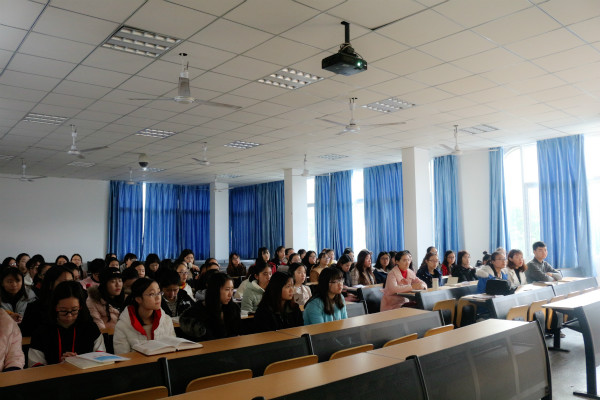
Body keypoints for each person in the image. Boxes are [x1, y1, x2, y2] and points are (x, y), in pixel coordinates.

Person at [28, 281, 105, 367]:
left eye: (74, 310)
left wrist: (79, 362)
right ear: (55, 307)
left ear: (80, 307)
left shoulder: (90, 328)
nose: (69, 316)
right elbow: (35, 366)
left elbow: (101, 358)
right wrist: (60, 366)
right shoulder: (42, 332)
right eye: (63, 310)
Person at [113, 278, 176, 354]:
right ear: (138, 299)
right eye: (152, 294)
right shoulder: (123, 326)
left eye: (159, 292)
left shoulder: (166, 320)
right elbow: (123, 357)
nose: (158, 297)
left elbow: (173, 349)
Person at [180, 272, 240, 341]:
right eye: (227, 289)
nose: (230, 294)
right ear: (215, 290)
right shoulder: (197, 311)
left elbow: (235, 334)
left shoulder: (233, 308)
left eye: (232, 289)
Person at [20, 265, 74, 336]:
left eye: (71, 282)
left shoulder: (78, 306)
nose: (69, 286)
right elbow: (26, 335)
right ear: (50, 284)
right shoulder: (35, 308)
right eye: (64, 282)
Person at [86, 267, 125, 332]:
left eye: (120, 281)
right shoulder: (93, 300)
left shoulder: (124, 297)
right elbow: (98, 325)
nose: (118, 284)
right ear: (104, 284)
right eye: (113, 281)